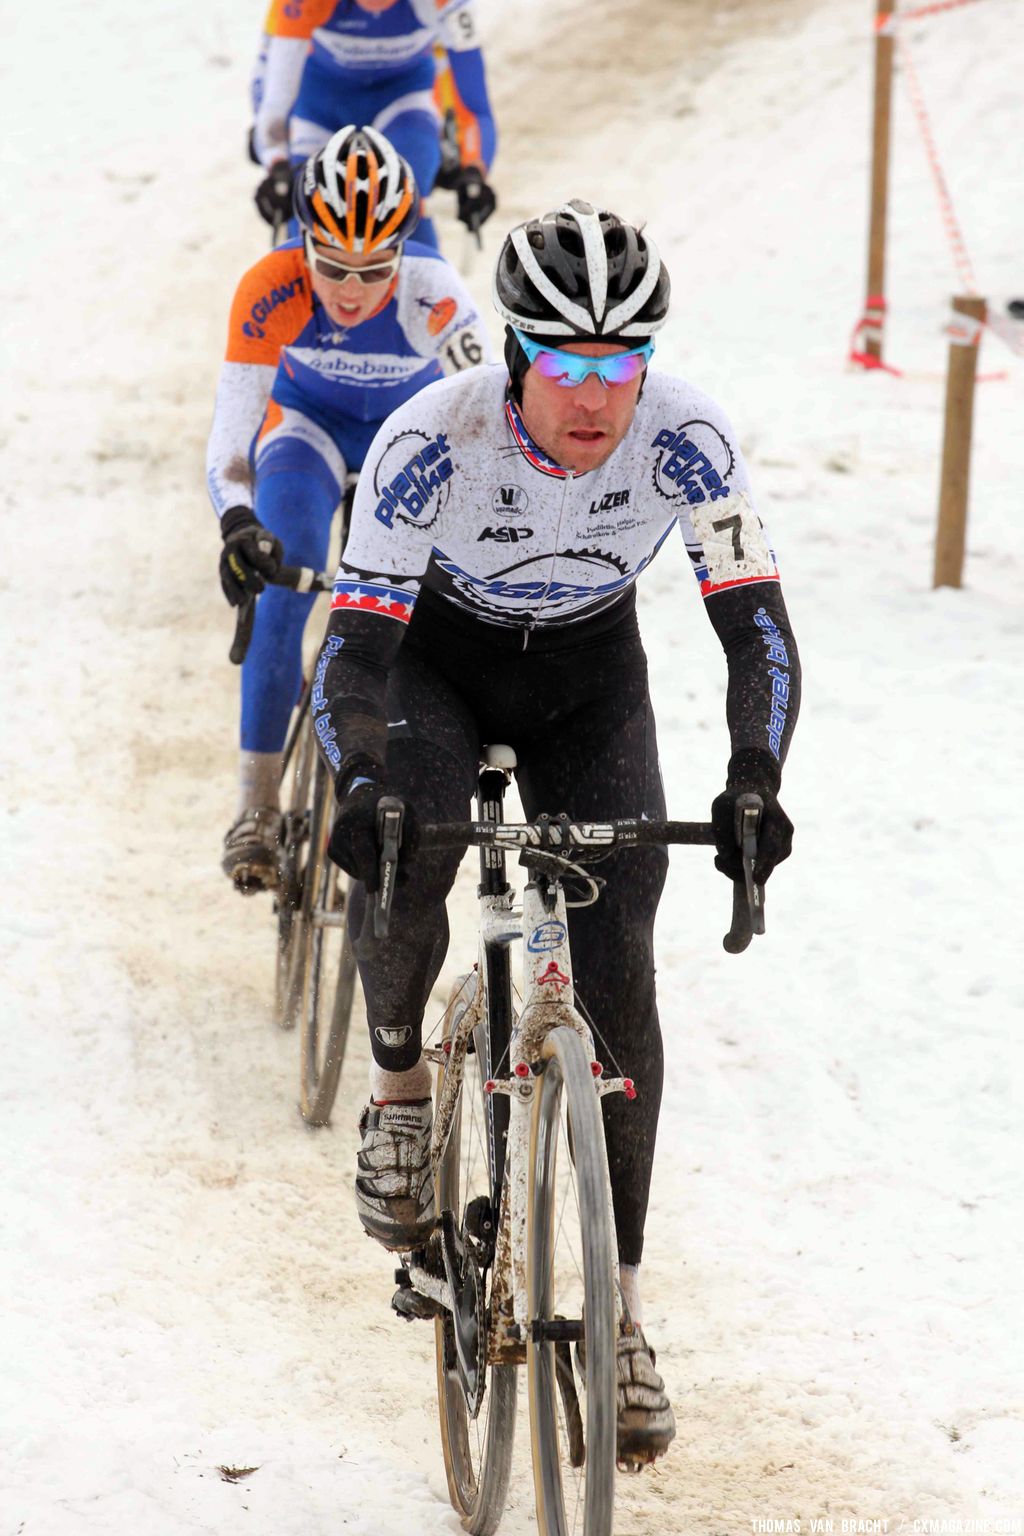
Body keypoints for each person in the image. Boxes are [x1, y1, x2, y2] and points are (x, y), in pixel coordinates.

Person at [310, 199, 801, 1462]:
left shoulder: (685, 437)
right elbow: (354, 653)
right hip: (437, 661)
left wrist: (754, 774)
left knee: (621, 953)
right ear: (520, 358)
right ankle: (403, 1093)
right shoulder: (434, 439)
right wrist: (361, 780)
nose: (597, 401)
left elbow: (755, 626)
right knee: (409, 850)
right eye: (571, 369)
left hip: (590, 678)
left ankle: (624, 1312)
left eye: (620, 369)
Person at [206, 124, 492, 892]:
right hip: (304, 430)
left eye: (375, 268)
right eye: (331, 265)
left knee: (414, 615)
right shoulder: (267, 287)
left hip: (403, 441)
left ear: (407, 246)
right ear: (301, 241)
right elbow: (231, 444)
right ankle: (257, 807)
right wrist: (238, 523)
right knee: (285, 571)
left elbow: (493, 420)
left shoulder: (437, 293)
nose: (352, 288)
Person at [250, 0, 497, 250]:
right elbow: (274, 93)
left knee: (406, 193)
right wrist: (277, 161)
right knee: (308, 204)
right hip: (320, 104)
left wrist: (474, 169)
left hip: (404, 97)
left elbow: (474, 104)